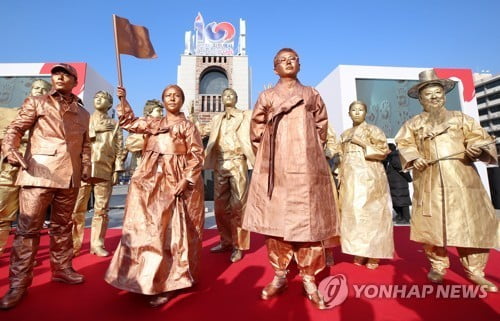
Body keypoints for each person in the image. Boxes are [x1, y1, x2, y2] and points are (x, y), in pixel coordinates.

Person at [242, 48, 339, 309]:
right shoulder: (267, 96)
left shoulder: (311, 93)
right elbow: (256, 132)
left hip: (307, 169)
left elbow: (322, 126)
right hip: (277, 169)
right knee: (276, 226)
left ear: (300, 64)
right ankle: (280, 274)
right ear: (275, 69)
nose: (288, 62)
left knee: (309, 225)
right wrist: (268, 159)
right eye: (282, 61)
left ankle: (309, 277)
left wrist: (311, 152)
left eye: (292, 59)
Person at [395, 69, 499, 292]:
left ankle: (476, 270)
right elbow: (404, 145)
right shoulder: (413, 124)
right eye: (428, 94)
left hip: (462, 178)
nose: (434, 97)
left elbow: (481, 139)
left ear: (444, 95)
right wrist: (415, 158)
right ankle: (438, 265)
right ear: (421, 99)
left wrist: (474, 149)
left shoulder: (461, 119)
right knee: (432, 224)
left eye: (438, 92)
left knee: (472, 223)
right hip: (429, 179)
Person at [104, 85, 205, 307]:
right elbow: (129, 122)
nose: (172, 98)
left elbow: (197, 155)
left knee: (170, 232)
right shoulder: (153, 123)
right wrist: (123, 100)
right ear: (162, 100)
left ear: (182, 100)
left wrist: (186, 179)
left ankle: (168, 281)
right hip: (148, 179)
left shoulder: (187, 127)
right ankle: (140, 276)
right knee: (144, 228)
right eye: (168, 95)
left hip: (174, 177)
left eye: (177, 95)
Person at [0, 63, 91, 309]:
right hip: (39, 171)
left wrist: (85, 167)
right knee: (27, 230)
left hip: (69, 176)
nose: (59, 77)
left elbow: (85, 145)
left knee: (63, 226)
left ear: (75, 80)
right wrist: (9, 149)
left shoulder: (83, 113)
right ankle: (19, 283)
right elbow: (16, 129)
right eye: (56, 73)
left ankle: (61, 268)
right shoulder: (37, 102)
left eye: (66, 74)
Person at [338, 100, 394, 269]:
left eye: (360, 110)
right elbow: (341, 156)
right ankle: (359, 250)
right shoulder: (345, 134)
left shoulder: (374, 130)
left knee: (373, 215)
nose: (357, 112)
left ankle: (375, 254)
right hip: (350, 178)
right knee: (353, 215)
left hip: (370, 176)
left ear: (365, 113)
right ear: (349, 113)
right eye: (353, 110)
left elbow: (383, 151)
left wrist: (362, 143)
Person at [0, 79, 52, 256]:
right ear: (30, 90)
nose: (39, 91)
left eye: (44, 89)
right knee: (2, 214)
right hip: (8, 170)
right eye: (37, 87)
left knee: (31, 219)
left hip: (36, 172)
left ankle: (24, 257)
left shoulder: (49, 121)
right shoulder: (7, 113)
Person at [71, 91, 124, 257]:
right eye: (96, 96)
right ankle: (74, 244)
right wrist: (94, 130)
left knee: (101, 210)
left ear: (109, 104)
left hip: (105, 168)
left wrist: (117, 169)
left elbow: (119, 147)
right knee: (77, 208)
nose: (98, 99)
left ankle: (97, 243)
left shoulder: (115, 124)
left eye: (103, 98)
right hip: (83, 169)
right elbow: (75, 139)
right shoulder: (84, 119)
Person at [204, 88, 253, 263]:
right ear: (221, 99)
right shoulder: (217, 119)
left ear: (236, 98)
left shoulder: (246, 115)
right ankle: (225, 241)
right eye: (225, 95)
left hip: (238, 161)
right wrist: (192, 119)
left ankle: (238, 245)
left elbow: (261, 122)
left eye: (231, 94)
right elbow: (203, 131)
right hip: (220, 163)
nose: (228, 97)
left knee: (238, 205)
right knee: (219, 206)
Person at [124, 99, 164, 173]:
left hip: (158, 167)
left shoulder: (163, 127)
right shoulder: (139, 125)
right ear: (149, 112)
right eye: (158, 111)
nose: (161, 114)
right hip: (140, 166)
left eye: (162, 111)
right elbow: (129, 144)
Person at [384, 143, 412, 224]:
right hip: (394, 184)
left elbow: (402, 169)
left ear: (389, 150)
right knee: (396, 201)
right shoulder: (389, 158)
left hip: (399, 183)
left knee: (402, 201)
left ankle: (406, 218)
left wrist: (409, 178)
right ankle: (400, 215)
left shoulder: (395, 157)